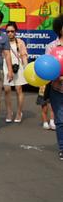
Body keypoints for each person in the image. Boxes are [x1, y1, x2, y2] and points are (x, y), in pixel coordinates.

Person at [43, 14, 63, 160]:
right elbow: (47, 69)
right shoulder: (51, 47)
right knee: (60, 120)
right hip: (57, 89)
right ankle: (62, 147)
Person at [3, 22, 28, 123]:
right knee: (7, 90)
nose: (10, 33)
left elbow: (24, 56)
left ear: (15, 32)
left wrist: (26, 68)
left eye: (12, 31)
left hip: (18, 67)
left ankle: (19, 112)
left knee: (19, 89)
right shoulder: (3, 42)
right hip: (6, 66)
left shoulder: (20, 42)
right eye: (8, 31)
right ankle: (9, 112)